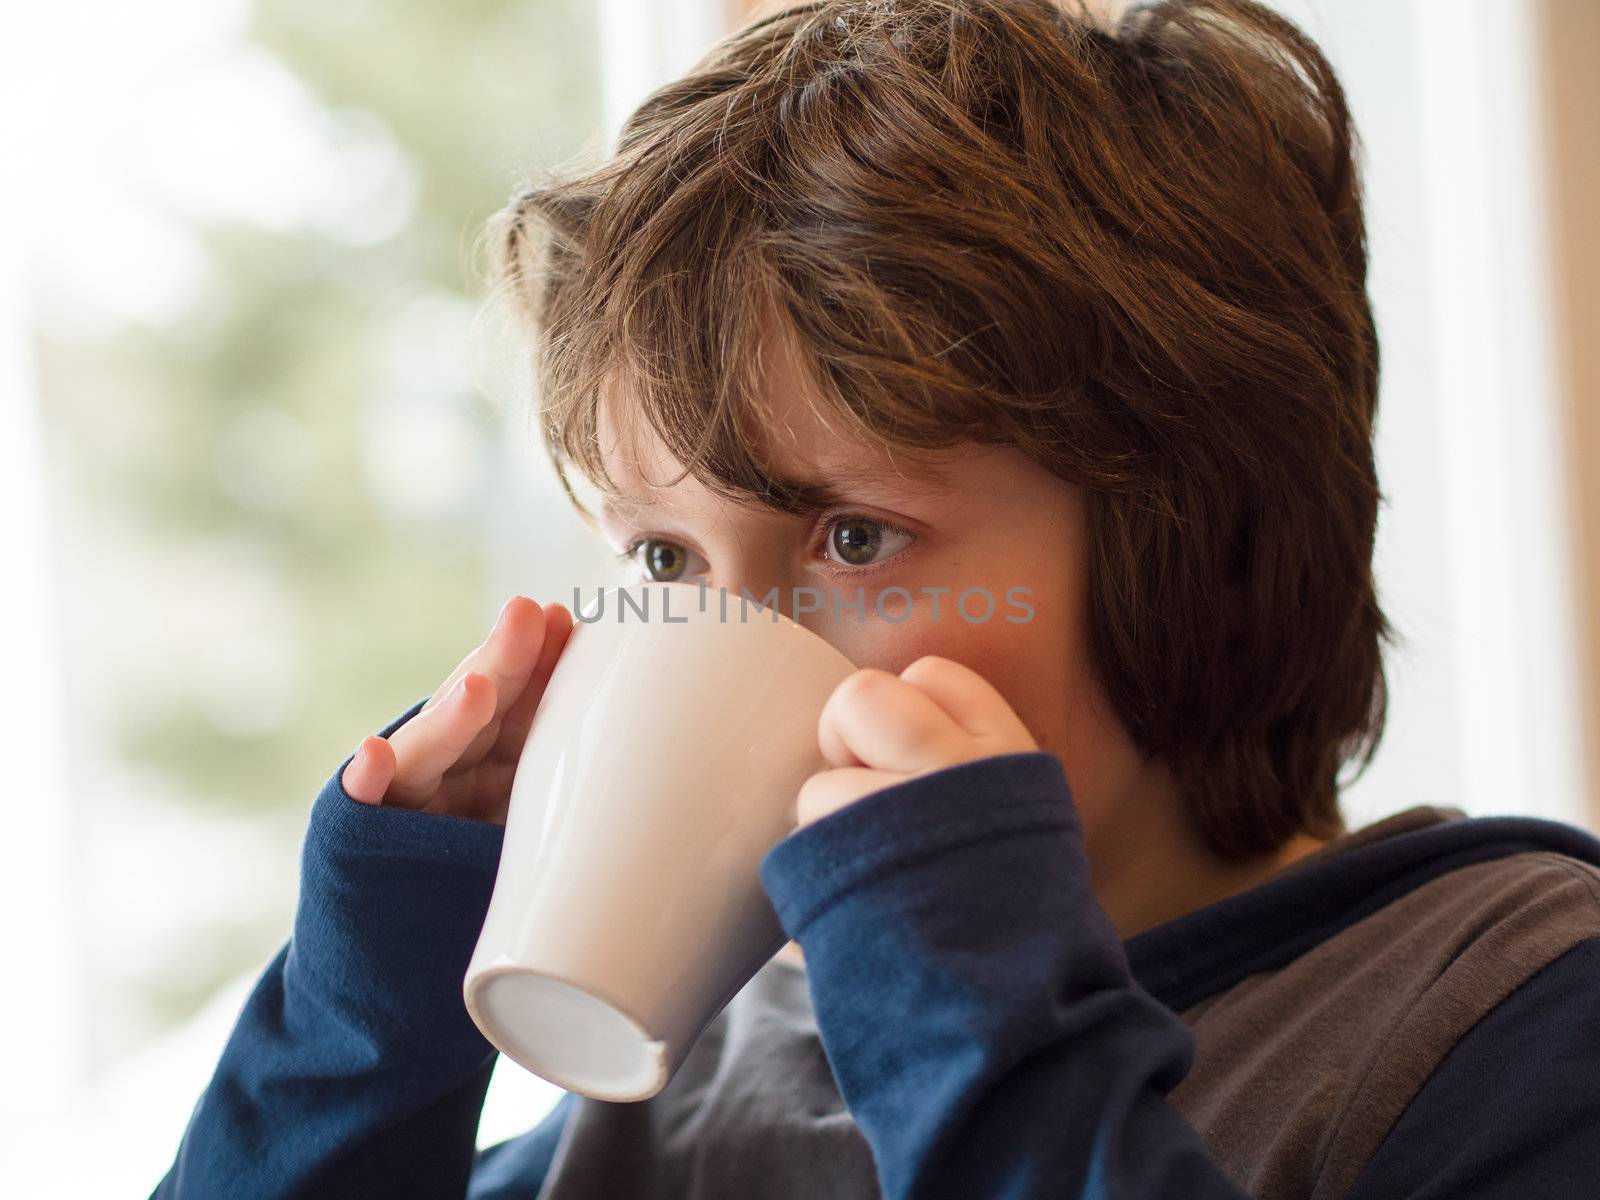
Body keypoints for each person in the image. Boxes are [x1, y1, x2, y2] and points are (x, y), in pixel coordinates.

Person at [150, 1, 1600, 1197]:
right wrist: (367, 1023)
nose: (726, 641)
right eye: (663, 560)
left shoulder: (1513, 1018)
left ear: (1201, 542)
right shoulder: (704, 1071)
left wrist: (979, 1033)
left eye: (853, 539)